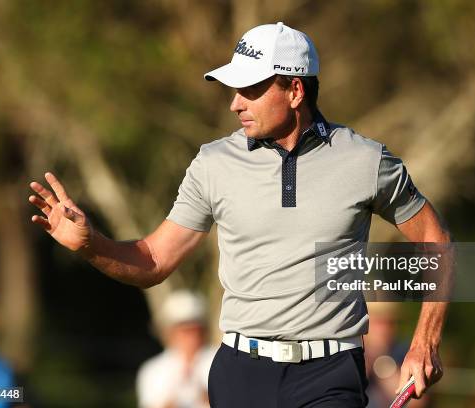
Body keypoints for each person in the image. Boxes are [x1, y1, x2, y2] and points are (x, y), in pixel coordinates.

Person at [28, 22, 451, 407]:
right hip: (240, 373)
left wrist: (424, 341)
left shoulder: (365, 160)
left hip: (330, 374)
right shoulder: (213, 163)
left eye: (249, 90)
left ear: (295, 91)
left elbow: (436, 240)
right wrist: (90, 245)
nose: (234, 104)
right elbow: (154, 261)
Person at [137, 290, 215, 408]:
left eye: (195, 330)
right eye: (184, 331)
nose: (191, 337)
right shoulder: (152, 369)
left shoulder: (220, 361)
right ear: (170, 333)